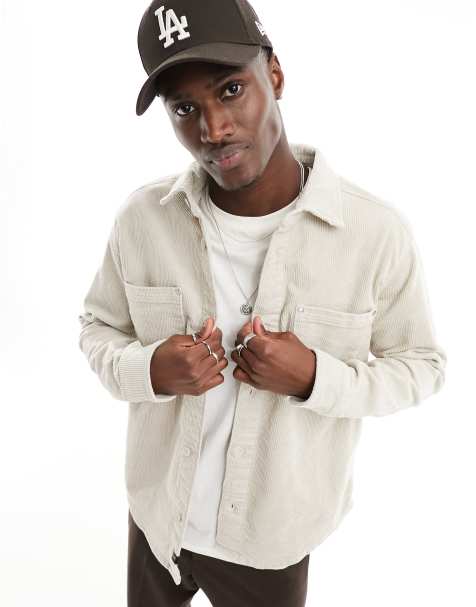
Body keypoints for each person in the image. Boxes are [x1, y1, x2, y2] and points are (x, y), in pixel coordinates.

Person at [78, 0, 447, 605]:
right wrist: (148, 369)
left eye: (230, 90)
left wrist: (314, 377)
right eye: (184, 108)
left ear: (274, 74)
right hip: (158, 518)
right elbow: (98, 326)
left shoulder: (373, 234)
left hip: (269, 540)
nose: (213, 128)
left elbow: (423, 366)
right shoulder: (143, 219)